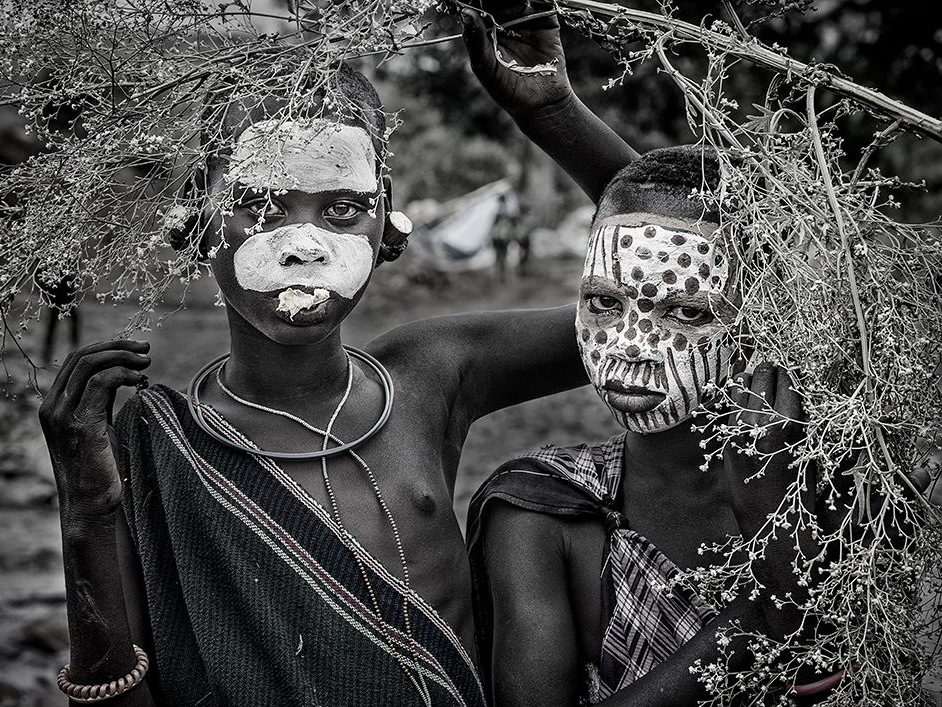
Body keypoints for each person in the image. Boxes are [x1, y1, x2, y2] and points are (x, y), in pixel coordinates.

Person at [38, 56, 636, 705]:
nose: (304, 243)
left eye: (344, 208)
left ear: (386, 217)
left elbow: (683, 285)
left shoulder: (431, 374)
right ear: (196, 217)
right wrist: (85, 510)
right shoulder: (157, 447)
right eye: (259, 207)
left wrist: (552, 112)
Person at [462, 7, 937, 706]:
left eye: (687, 314)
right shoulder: (542, 511)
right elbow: (667, 232)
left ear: (768, 325)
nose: (630, 347)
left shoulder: (852, 495)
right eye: (603, 302)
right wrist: (760, 619)